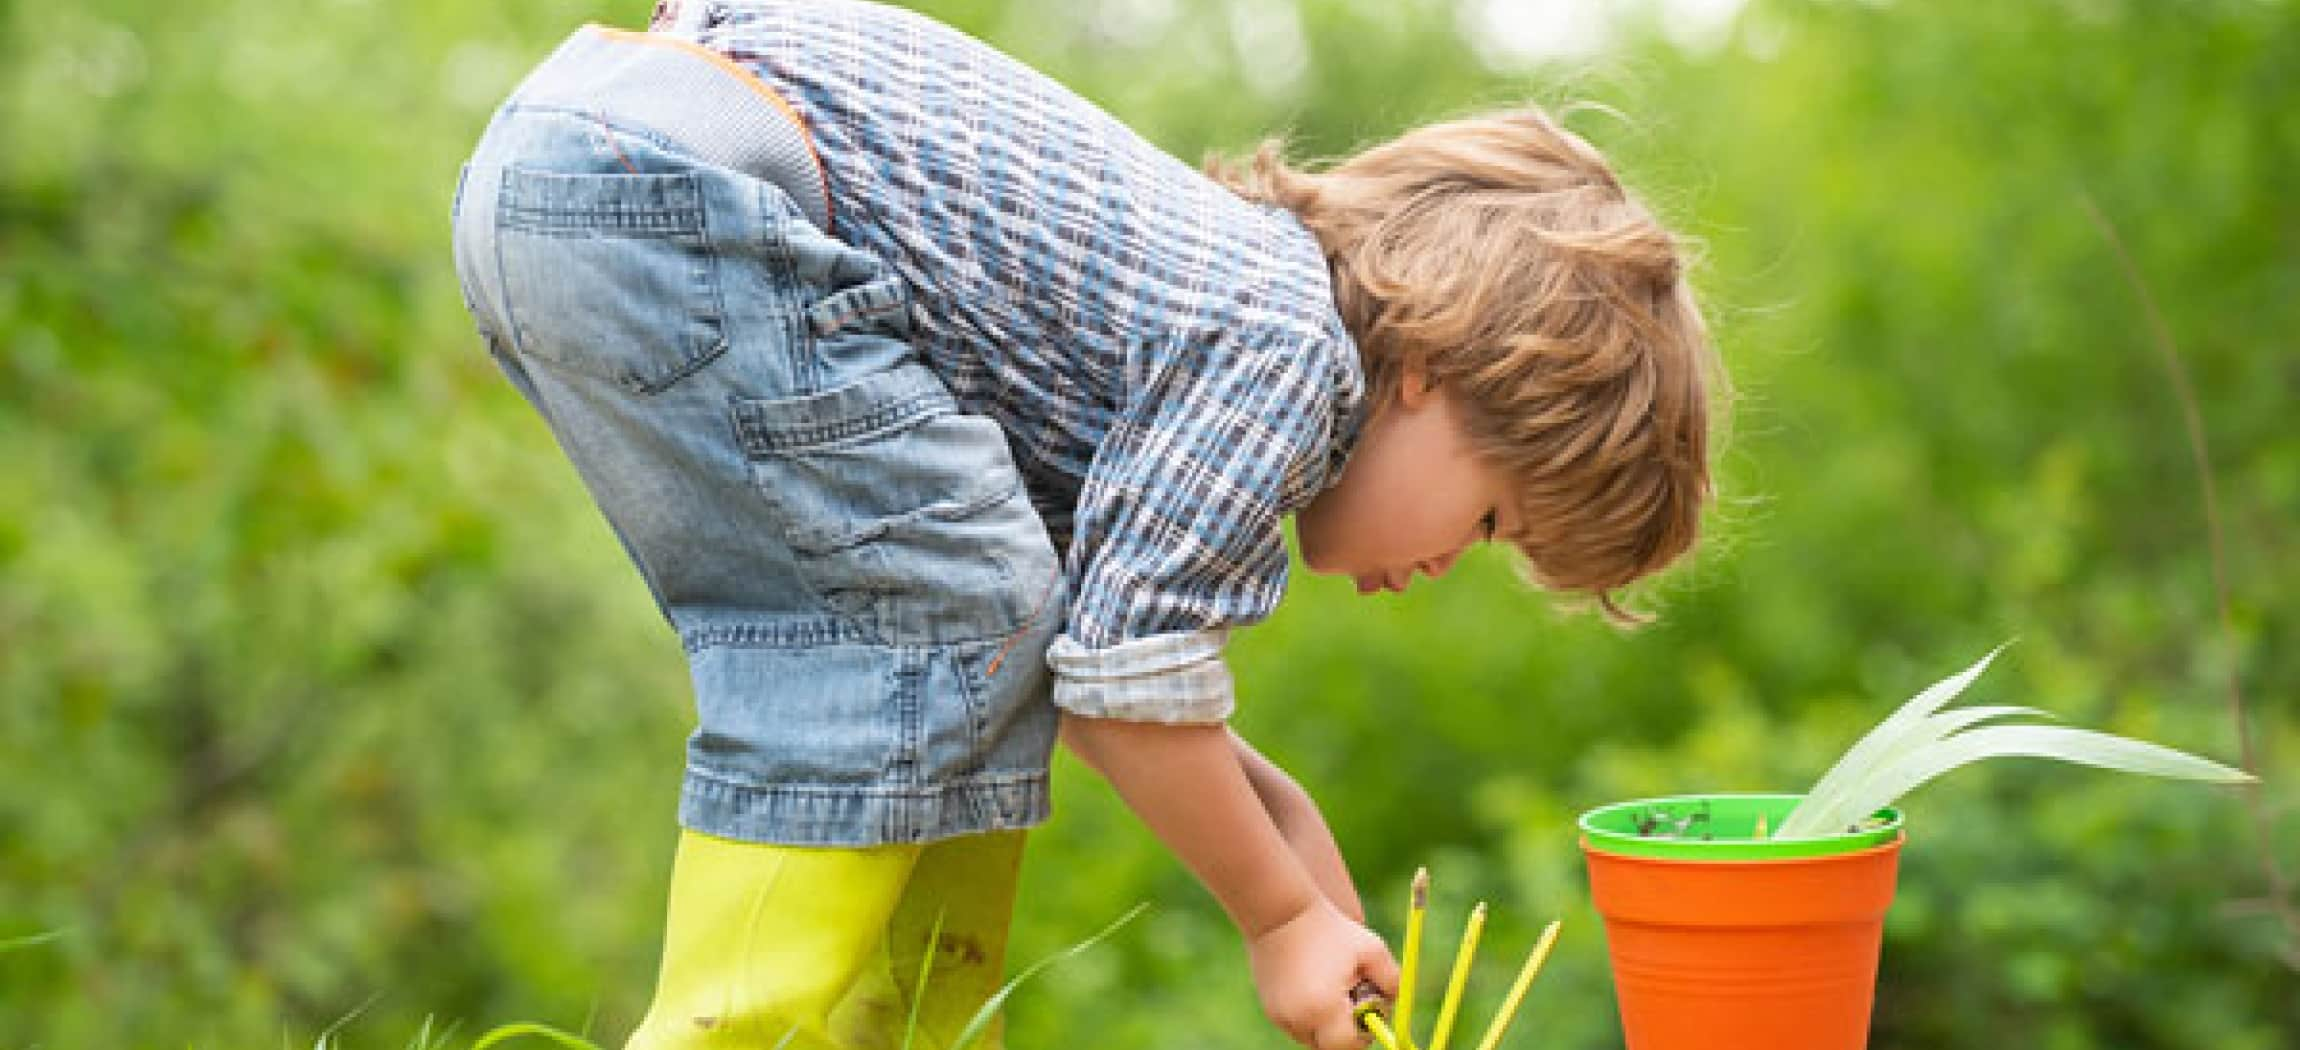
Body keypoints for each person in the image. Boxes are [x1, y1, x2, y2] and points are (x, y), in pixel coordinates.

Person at [448, 2, 1721, 1048]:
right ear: (1436, 363)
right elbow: (1125, 693)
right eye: (1493, 518)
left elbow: (1085, 670)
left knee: (973, 640)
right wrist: (1277, 922)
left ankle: (915, 1028)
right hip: (679, 192)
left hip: (590, 162)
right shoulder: (1285, 356)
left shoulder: (1200, 312)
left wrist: (1289, 858)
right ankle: (735, 1033)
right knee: (931, 623)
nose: (1444, 563)